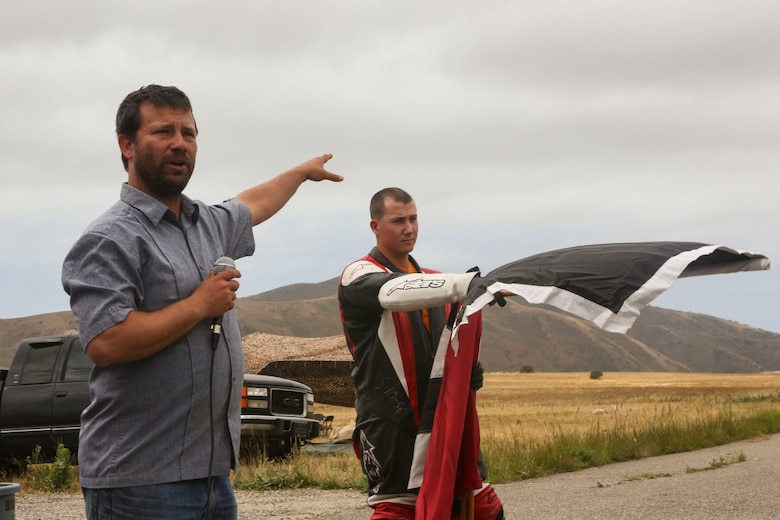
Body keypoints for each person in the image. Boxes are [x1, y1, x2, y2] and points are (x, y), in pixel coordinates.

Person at [61, 84, 342, 520]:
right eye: (163, 132)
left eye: (189, 133)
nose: (180, 144)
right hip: (140, 482)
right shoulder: (109, 239)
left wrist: (300, 173)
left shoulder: (204, 223)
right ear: (127, 145)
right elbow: (107, 342)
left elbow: (253, 203)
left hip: (211, 478)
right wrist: (198, 305)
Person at [338, 188, 504, 519]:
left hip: (443, 419)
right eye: (398, 220)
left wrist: (466, 372)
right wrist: (463, 284)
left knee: (481, 508)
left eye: (413, 219)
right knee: (398, 510)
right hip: (390, 421)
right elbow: (391, 291)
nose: (409, 228)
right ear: (375, 226)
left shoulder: (433, 279)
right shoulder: (358, 274)